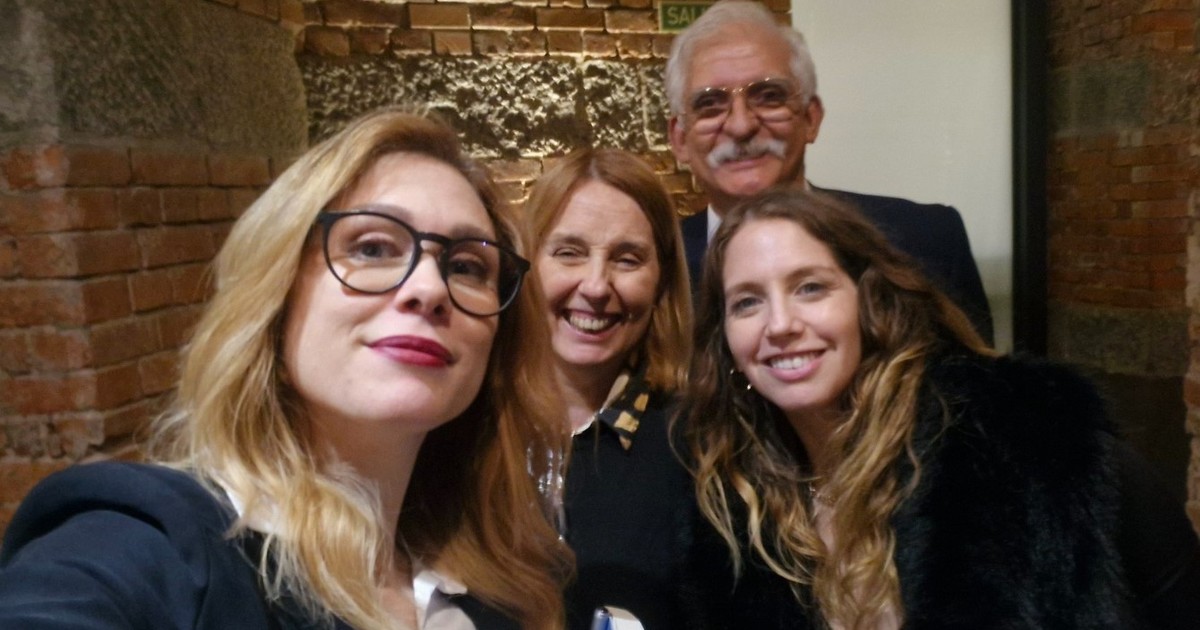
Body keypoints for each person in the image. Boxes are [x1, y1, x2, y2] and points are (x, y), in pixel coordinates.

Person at [0, 109, 572, 629]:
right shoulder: (156, 541)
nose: (430, 288)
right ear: (278, 294)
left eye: (467, 266)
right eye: (373, 248)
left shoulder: (490, 585)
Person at [677, 187, 1200, 629]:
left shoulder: (1028, 443)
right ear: (725, 341)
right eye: (747, 302)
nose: (780, 324)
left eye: (810, 288)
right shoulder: (735, 505)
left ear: (870, 301)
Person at [665, 0, 994, 342]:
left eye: (768, 96)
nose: (741, 125)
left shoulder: (927, 243)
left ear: (810, 118)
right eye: (710, 105)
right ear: (680, 139)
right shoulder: (659, 269)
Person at [521, 148, 694, 629]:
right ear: (526, 264)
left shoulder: (700, 445)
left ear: (661, 282)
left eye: (627, 259)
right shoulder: (465, 429)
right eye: (569, 253)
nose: (596, 286)